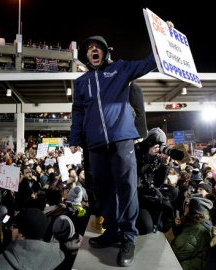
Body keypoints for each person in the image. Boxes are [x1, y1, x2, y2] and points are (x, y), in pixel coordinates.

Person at [69, 24, 162, 266]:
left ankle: (128, 237)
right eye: (89, 48)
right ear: (85, 56)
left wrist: (163, 37)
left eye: (97, 47)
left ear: (105, 52)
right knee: (103, 192)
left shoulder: (121, 69)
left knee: (126, 189)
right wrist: (74, 138)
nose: (93, 50)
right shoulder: (81, 82)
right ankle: (111, 232)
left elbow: (150, 62)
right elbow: (77, 111)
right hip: (96, 146)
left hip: (122, 141)